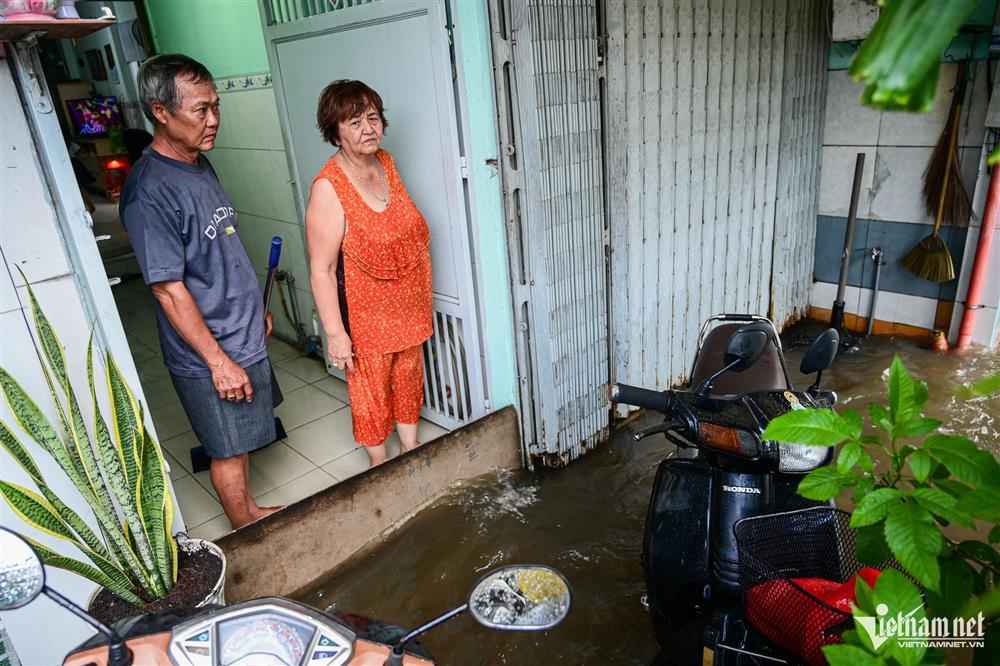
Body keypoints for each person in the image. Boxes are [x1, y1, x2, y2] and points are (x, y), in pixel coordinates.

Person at [120, 54, 282, 529]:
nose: (213, 120)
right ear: (161, 111)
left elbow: (218, 244)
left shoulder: (198, 164)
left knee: (245, 436)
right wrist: (219, 363)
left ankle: (251, 509)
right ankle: (247, 529)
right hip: (210, 351)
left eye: (216, 106)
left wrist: (253, 308)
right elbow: (169, 289)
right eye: (200, 110)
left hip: (240, 330)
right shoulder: (150, 191)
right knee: (227, 447)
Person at [306, 80, 433, 467]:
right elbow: (322, 269)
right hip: (369, 318)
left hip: (409, 305)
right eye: (355, 122)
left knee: (409, 376)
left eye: (373, 118)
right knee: (372, 392)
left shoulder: (386, 162)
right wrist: (335, 334)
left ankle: (409, 449)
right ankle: (380, 465)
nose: (368, 129)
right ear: (335, 132)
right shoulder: (329, 188)